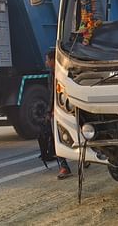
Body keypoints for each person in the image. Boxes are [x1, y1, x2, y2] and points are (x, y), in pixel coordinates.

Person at [40, 49, 72, 179]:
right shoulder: (52, 73)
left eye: (48, 60)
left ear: (53, 60)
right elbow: (51, 95)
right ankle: (64, 166)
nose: (46, 62)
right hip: (58, 110)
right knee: (57, 138)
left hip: (65, 109)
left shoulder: (63, 72)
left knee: (61, 137)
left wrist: (50, 112)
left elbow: (54, 94)